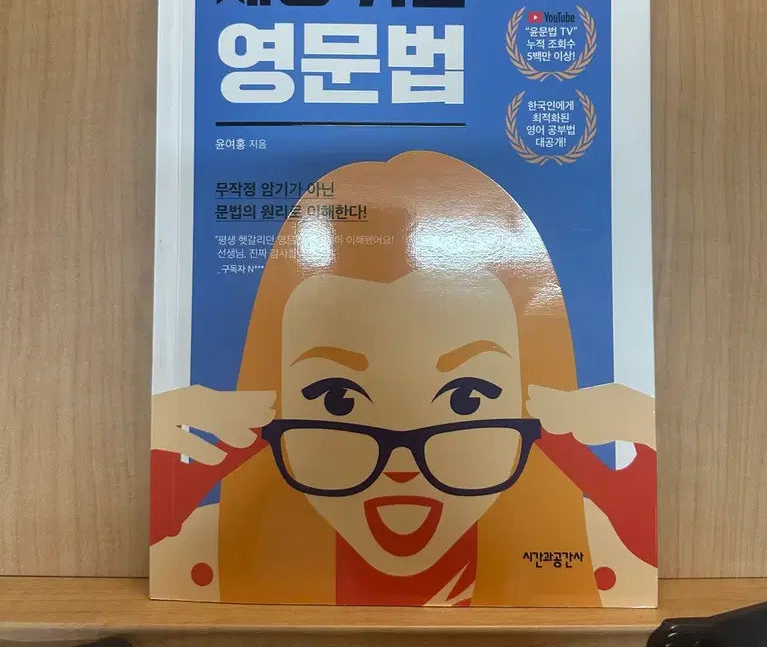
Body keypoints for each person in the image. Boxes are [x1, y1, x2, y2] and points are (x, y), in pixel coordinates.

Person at [150, 150, 656, 607]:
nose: (401, 468)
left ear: (534, 402)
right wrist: (161, 511)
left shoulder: (609, 558)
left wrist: (644, 534)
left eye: (466, 398)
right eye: (337, 399)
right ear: (272, 403)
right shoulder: (197, 557)